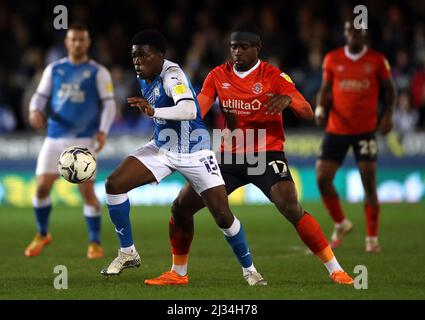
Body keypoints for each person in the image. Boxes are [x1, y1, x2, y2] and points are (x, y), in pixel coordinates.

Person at [145, 23, 353, 286]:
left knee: (290, 206)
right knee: (181, 206)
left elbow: (307, 111)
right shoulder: (217, 75)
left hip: (265, 153)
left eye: (244, 47)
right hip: (227, 155)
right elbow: (198, 111)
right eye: (233, 47)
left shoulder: (274, 76)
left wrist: (288, 100)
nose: (238, 52)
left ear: (258, 49)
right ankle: (178, 273)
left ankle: (336, 270)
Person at [100, 30, 266, 286]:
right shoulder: (144, 75)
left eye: (143, 56)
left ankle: (250, 270)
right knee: (114, 184)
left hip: (195, 152)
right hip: (162, 148)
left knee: (222, 215)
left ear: (160, 56)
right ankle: (128, 252)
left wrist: (153, 109)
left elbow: (189, 109)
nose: (137, 62)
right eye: (134, 56)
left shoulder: (172, 75)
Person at [25, 23, 117, 259]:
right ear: (67, 43)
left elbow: (108, 103)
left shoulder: (98, 71)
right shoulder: (54, 69)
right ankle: (42, 233)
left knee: (87, 191)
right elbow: (40, 95)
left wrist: (103, 131)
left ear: (88, 43)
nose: (77, 43)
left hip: (84, 139)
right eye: (73, 39)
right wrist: (35, 110)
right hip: (55, 137)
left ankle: (94, 242)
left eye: (81, 40)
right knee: (42, 186)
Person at [315, 19, 396, 252]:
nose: (353, 35)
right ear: (345, 33)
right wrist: (321, 109)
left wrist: (388, 114)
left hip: (365, 130)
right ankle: (341, 222)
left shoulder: (377, 60)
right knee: (322, 178)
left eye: (357, 31)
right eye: (349, 30)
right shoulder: (332, 58)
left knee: (368, 182)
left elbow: (390, 90)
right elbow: (325, 90)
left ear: (364, 34)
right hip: (336, 128)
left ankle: (372, 239)